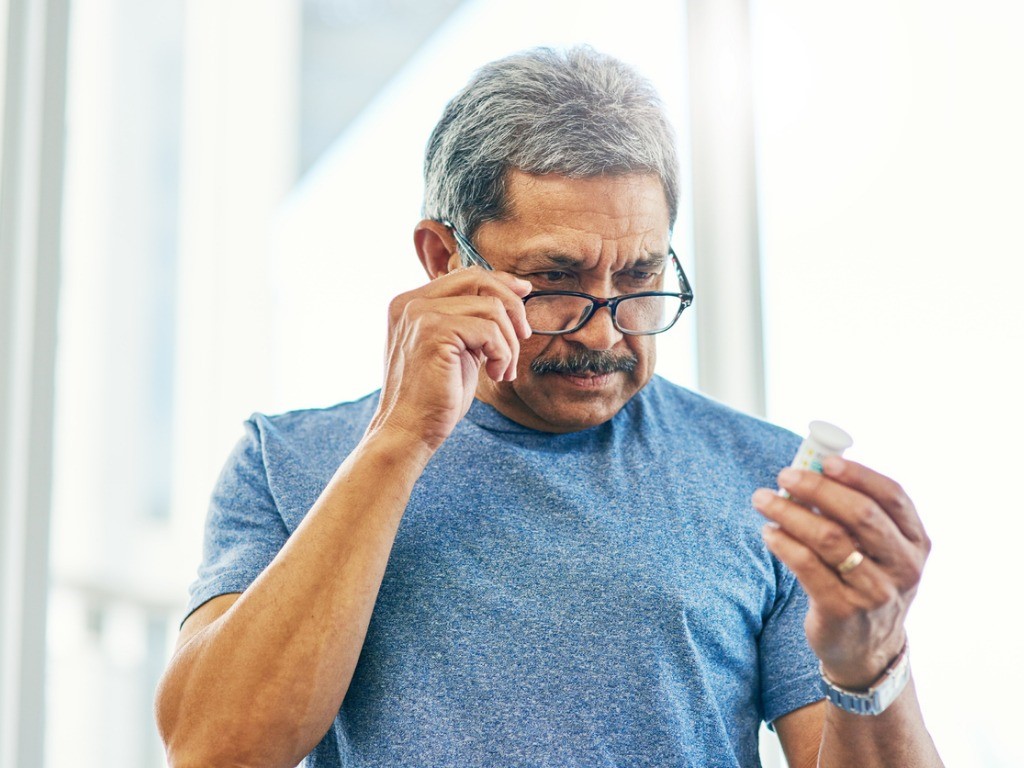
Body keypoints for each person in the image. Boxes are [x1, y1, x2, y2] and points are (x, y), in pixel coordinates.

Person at [155, 47, 943, 768]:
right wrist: (398, 441)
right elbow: (212, 748)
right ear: (442, 261)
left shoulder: (765, 482)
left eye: (638, 279)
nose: (604, 331)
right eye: (557, 280)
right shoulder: (285, 463)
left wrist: (870, 666)